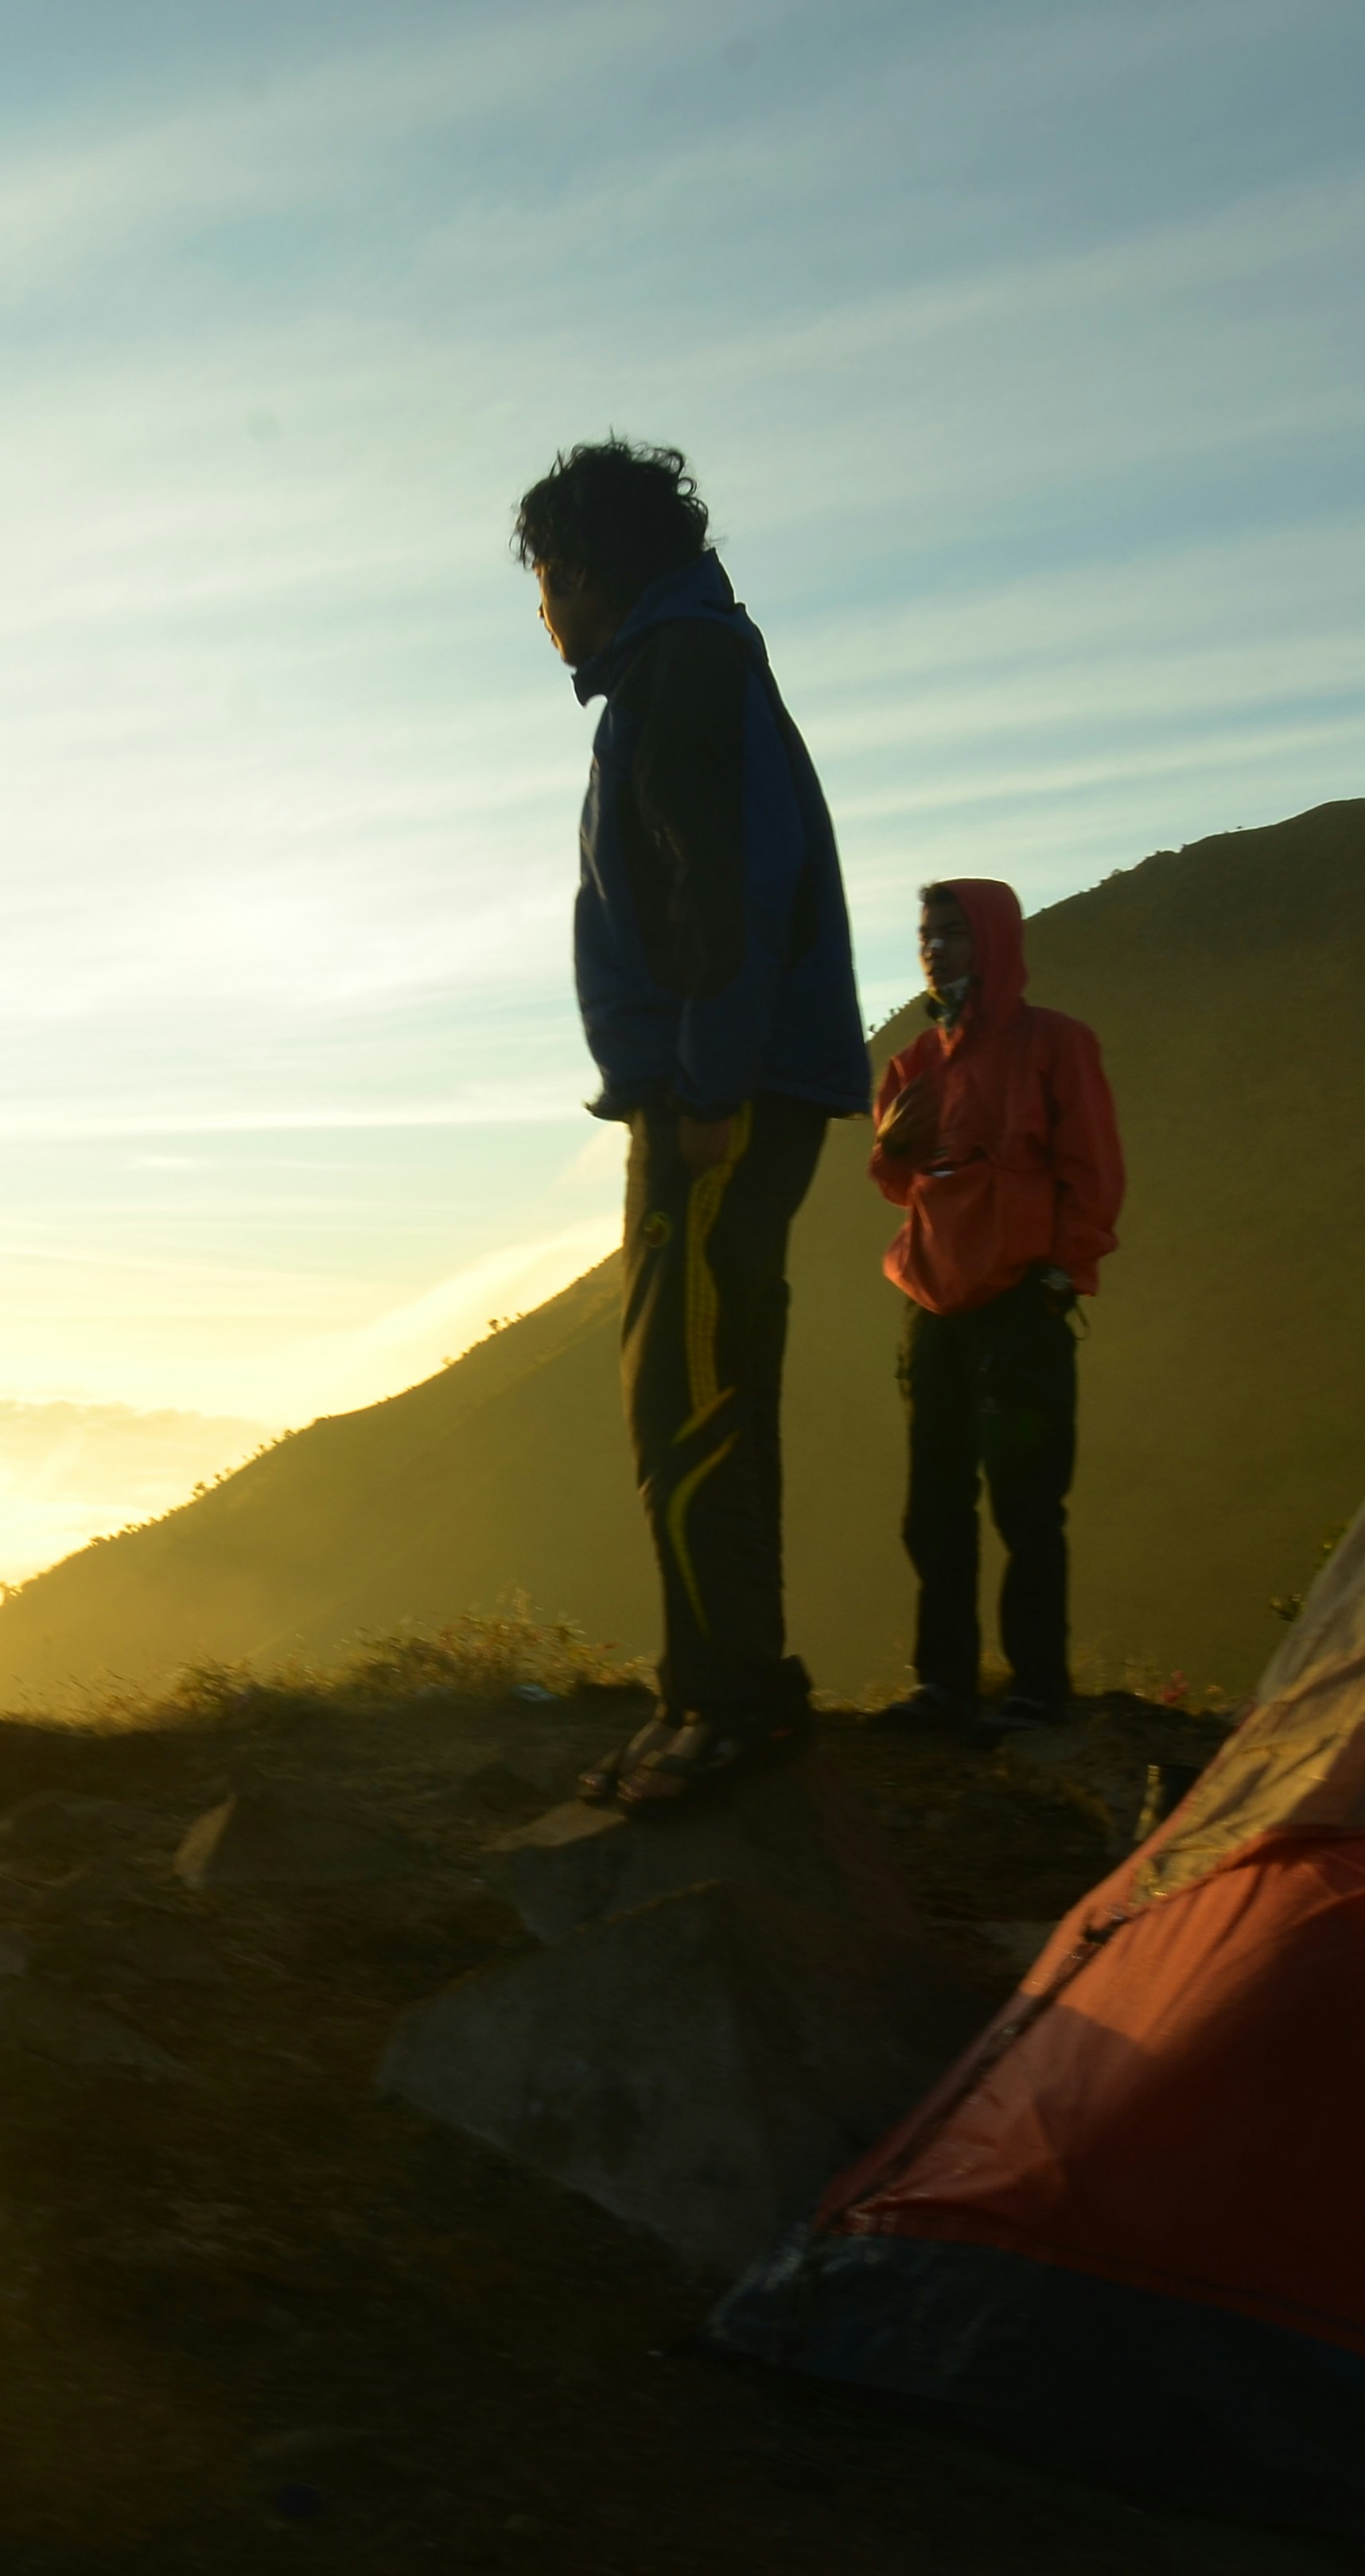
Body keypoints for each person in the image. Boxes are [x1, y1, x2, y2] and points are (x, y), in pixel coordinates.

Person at [513, 439, 868, 1814]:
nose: (543, 610)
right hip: (704, 1087)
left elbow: (725, 890)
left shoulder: (687, 671)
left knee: (694, 1391)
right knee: (685, 1384)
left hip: (714, 1099)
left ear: (581, 572)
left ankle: (730, 1703)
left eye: (544, 578)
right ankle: (711, 1686)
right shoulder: (685, 666)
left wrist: (711, 1088)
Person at [868, 878, 1122, 1736]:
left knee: (1024, 1502)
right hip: (932, 1303)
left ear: (995, 941)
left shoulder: (1055, 1045)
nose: (935, 948)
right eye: (925, 934)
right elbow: (898, 1184)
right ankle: (942, 1686)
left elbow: (1092, 1167)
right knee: (933, 1503)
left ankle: (1033, 1689)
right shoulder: (913, 1063)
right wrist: (893, 1146)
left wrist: (1062, 1275)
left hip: (1020, 1302)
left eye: (953, 933)